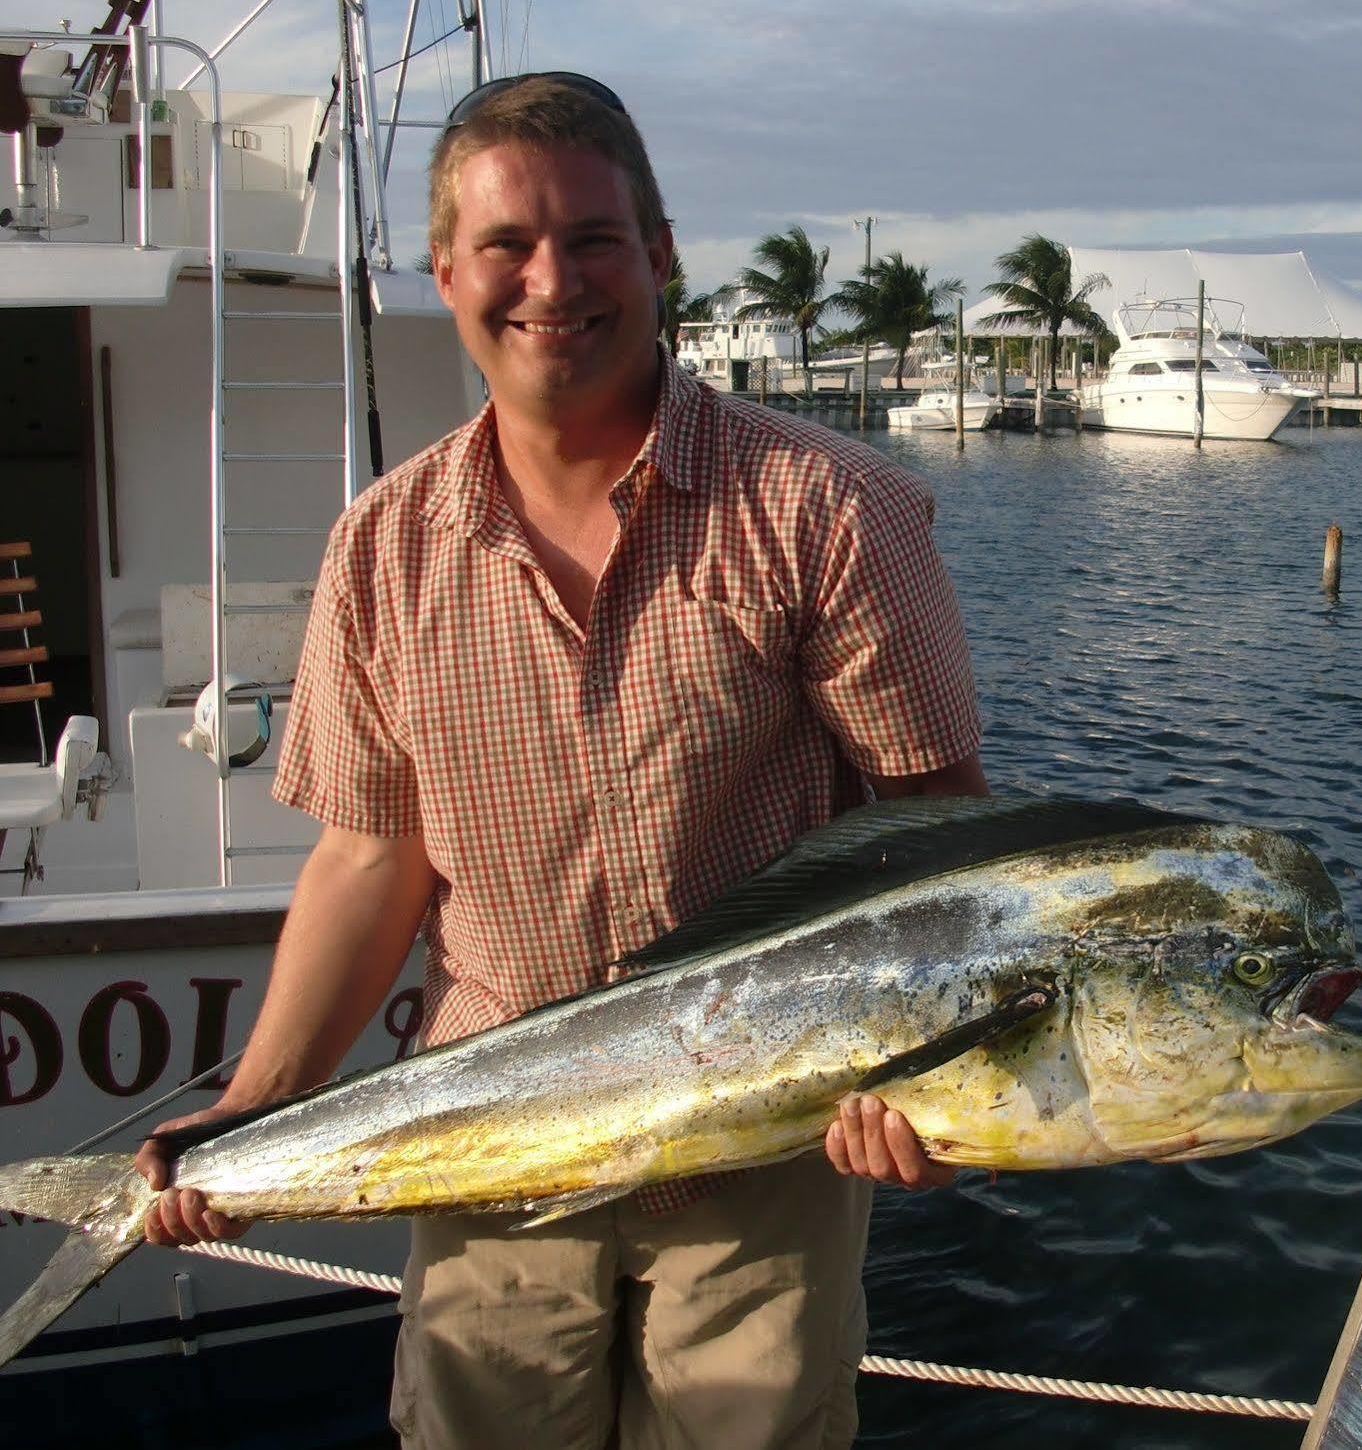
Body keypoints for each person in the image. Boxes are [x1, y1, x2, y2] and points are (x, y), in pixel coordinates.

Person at [136, 72, 986, 1449]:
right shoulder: (383, 545)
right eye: (507, 247)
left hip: (757, 1163)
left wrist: (937, 1086)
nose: (553, 282)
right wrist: (254, 1109)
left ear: (659, 255)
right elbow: (370, 859)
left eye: (594, 239)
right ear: (446, 273)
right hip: (488, 1166)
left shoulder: (831, 509)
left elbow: (943, 840)